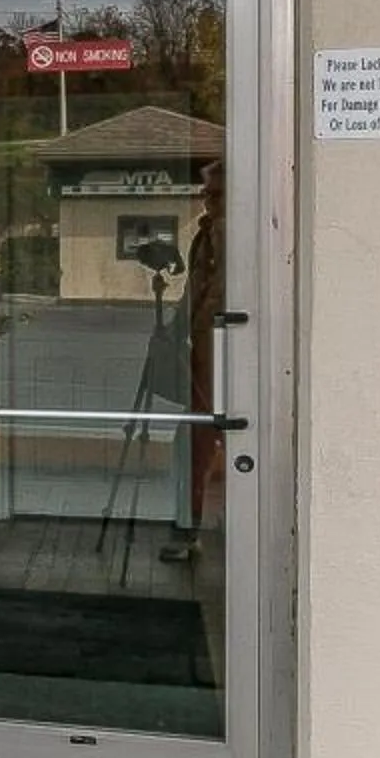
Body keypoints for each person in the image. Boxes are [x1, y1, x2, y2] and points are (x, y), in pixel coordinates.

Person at [163, 159, 226, 563]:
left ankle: (190, 529)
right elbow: (195, 287)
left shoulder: (228, 232)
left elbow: (218, 291)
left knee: (202, 440)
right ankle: (190, 525)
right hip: (204, 348)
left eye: (215, 194)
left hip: (221, 349)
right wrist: (174, 329)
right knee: (195, 439)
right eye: (206, 193)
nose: (208, 201)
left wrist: (195, 325)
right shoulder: (206, 234)